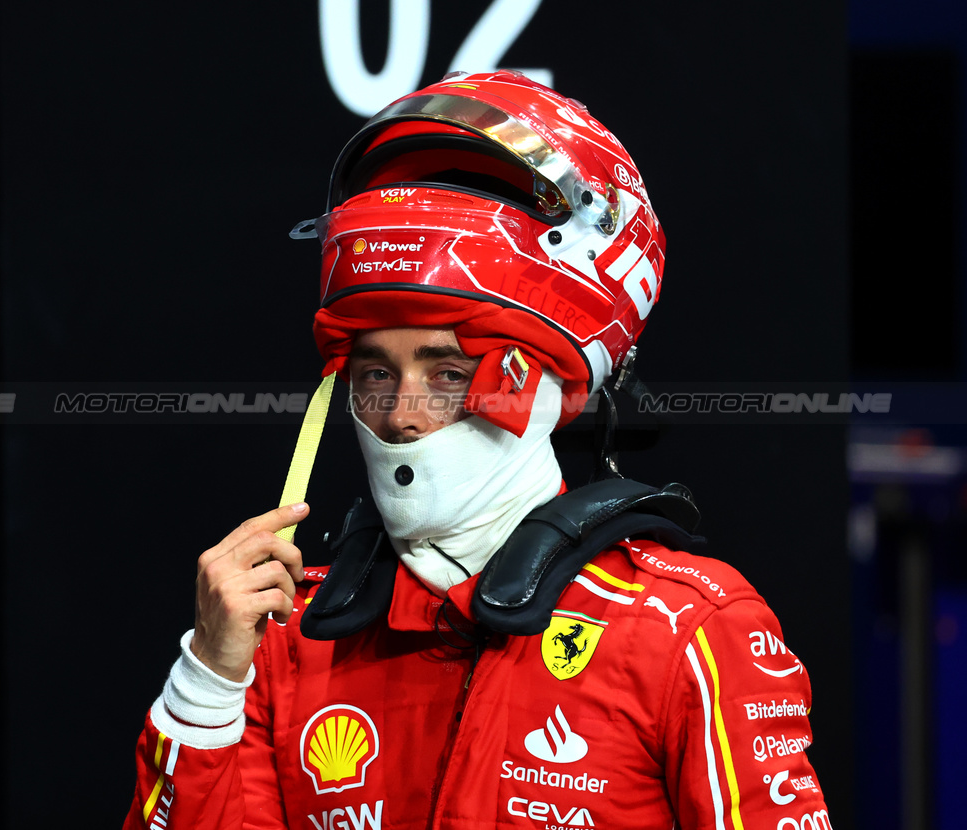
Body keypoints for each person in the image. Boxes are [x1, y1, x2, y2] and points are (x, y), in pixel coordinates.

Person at [126, 71, 830, 830]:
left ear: (550, 388)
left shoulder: (684, 629)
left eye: (450, 372)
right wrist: (207, 675)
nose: (402, 415)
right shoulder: (281, 639)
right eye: (374, 374)